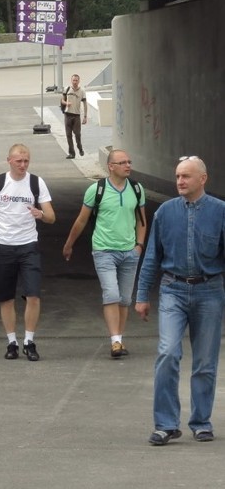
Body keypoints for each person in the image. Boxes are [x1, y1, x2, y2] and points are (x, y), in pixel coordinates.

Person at [134, 156, 225, 446]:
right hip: (172, 289)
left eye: (186, 176)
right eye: (177, 176)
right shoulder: (164, 213)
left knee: (205, 363)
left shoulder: (220, 212)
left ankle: (201, 422)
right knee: (168, 353)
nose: (180, 182)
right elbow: (152, 257)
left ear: (203, 179)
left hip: (209, 291)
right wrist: (141, 296)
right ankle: (166, 424)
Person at [0, 144, 55, 361]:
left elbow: (51, 216)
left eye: (26, 161)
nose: (23, 165)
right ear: (9, 160)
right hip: (3, 245)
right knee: (6, 298)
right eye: (19, 161)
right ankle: (12, 342)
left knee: (33, 295)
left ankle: (29, 341)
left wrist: (41, 215)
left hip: (29, 245)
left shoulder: (36, 183)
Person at [63, 149, 146, 358]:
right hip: (104, 250)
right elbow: (82, 219)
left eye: (129, 161)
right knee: (111, 294)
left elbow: (141, 221)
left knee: (125, 299)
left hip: (129, 251)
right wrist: (69, 243)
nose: (128, 165)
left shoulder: (136, 189)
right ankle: (115, 342)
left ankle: (119, 338)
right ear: (111, 166)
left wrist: (139, 246)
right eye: (122, 162)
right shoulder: (96, 189)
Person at [60, 73, 88, 159]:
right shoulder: (67, 89)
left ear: (79, 81)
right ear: (71, 81)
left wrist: (85, 116)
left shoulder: (82, 91)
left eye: (76, 80)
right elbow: (61, 100)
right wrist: (66, 103)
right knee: (68, 135)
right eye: (73, 80)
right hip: (67, 115)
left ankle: (80, 148)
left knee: (77, 134)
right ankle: (72, 153)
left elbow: (85, 104)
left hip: (76, 116)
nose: (75, 82)